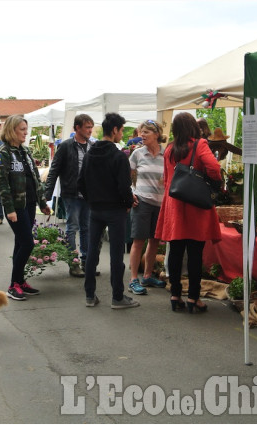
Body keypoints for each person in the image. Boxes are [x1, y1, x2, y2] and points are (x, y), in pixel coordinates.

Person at [155, 112, 222, 313]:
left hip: (174, 205)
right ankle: (194, 297)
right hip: (196, 206)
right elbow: (214, 167)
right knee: (195, 254)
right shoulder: (200, 144)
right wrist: (212, 182)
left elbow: (167, 180)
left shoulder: (169, 149)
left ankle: (175, 295)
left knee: (175, 252)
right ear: (194, 127)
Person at [77, 113, 139, 310]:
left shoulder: (89, 154)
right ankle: (117, 296)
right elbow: (124, 186)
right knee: (115, 255)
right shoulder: (118, 156)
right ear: (114, 130)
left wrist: (92, 200)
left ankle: (89, 295)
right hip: (115, 210)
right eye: (121, 130)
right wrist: (128, 203)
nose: (122, 134)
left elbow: (81, 183)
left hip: (95, 209)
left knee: (92, 253)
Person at [0, 115, 51, 301]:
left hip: (29, 204)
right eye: (22, 129)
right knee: (27, 242)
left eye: (26, 129)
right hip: (16, 206)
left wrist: (43, 204)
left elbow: (35, 179)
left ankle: (20, 280)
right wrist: (9, 209)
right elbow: (1, 183)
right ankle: (13, 285)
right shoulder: (3, 152)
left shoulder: (25, 151)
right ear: (12, 130)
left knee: (21, 243)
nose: (26, 133)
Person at [44, 114, 95, 278]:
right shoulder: (66, 146)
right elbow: (54, 170)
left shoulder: (92, 146)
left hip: (88, 195)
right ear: (77, 128)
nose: (90, 130)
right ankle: (73, 263)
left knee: (86, 228)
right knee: (72, 228)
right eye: (87, 127)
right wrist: (47, 194)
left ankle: (87, 263)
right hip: (71, 194)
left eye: (91, 127)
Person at [126, 120, 167, 295]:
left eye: (146, 132)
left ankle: (148, 275)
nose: (142, 135)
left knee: (155, 241)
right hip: (141, 201)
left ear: (156, 134)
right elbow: (127, 177)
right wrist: (130, 193)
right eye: (141, 132)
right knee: (138, 241)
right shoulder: (137, 154)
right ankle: (133, 279)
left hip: (160, 203)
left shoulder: (166, 154)